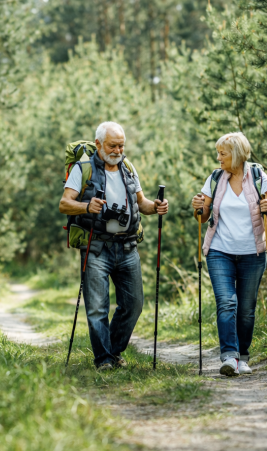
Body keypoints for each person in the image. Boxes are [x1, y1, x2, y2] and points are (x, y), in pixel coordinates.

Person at [59, 122, 168, 371]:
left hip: (128, 247)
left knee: (133, 305)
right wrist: (87, 207)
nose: (118, 150)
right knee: (97, 307)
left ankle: (113, 350)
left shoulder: (128, 168)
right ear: (98, 144)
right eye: (113, 145)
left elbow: (142, 203)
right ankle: (104, 359)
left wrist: (157, 206)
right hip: (96, 247)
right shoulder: (82, 169)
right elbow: (65, 204)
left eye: (121, 145)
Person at [191, 132, 267, 376]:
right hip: (220, 251)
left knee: (246, 308)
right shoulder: (216, 178)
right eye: (218, 153)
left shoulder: (259, 176)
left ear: (237, 154)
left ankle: (244, 357)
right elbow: (203, 216)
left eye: (223, 153)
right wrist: (198, 208)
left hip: (254, 252)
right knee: (227, 302)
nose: (218, 158)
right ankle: (229, 355)